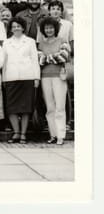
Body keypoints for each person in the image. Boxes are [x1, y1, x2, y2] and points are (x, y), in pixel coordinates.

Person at [3, 17, 40, 144]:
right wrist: (4, 79)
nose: (16, 28)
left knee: (25, 108)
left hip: (27, 77)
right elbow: (4, 62)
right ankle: (16, 132)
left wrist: (36, 78)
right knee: (11, 108)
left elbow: (35, 60)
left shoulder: (30, 41)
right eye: (14, 26)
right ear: (11, 29)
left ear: (23, 27)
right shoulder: (6, 42)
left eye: (18, 26)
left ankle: (23, 134)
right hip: (11, 77)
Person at [38, 17, 71, 145]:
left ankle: (61, 136)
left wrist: (47, 58)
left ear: (55, 29)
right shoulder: (41, 43)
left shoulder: (62, 41)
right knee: (50, 108)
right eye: (46, 28)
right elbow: (39, 60)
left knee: (60, 107)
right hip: (45, 77)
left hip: (59, 76)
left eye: (51, 27)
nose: (49, 30)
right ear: (43, 30)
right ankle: (53, 135)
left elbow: (63, 57)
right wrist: (53, 57)